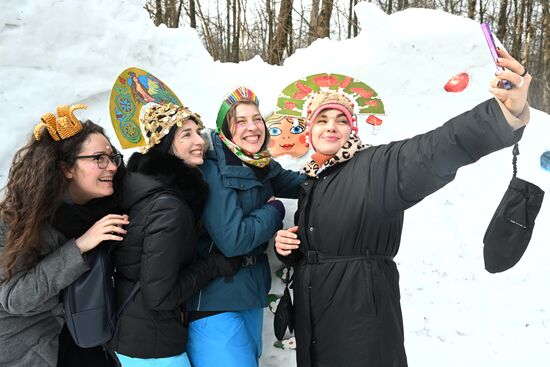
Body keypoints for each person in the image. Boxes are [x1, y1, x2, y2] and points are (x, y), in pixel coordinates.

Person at [274, 49, 532, 367]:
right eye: (322, 120)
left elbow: (431, 151)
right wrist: (288, 248)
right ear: (310, 131)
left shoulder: (372, 168)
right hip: (317, 327)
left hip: (361, 329)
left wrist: (503, 115)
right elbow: (322, 246)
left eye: (341, 120)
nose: (331, 127)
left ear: (352, 129)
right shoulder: (313, 181)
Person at [110, 102, 243, 367]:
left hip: (135, 336)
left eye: (198, 132)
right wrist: (213, 266)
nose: (199, 141)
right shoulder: (169, 206)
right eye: (186, 135)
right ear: (165, 145)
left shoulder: (146, 189)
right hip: (153, 347)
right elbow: (160, 296)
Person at [0, 104, 128, 367]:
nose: (111, 167)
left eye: (112, 156)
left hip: (83, 336)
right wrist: (79, 246)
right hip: (33, 348)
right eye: (98, 159)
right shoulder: (19, 221)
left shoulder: (96, 209)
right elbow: (15, 299)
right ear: (67, 168)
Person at [186, 86, 305, 367]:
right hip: (215, 303)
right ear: (225, 129)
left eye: (257, 119)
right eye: (240, 121)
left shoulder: (259, 164)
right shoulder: (212, 169)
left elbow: (305, 185)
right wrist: (274, 209)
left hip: (249, 295)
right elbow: (233, 240)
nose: (252, 127)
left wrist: (342, 165)